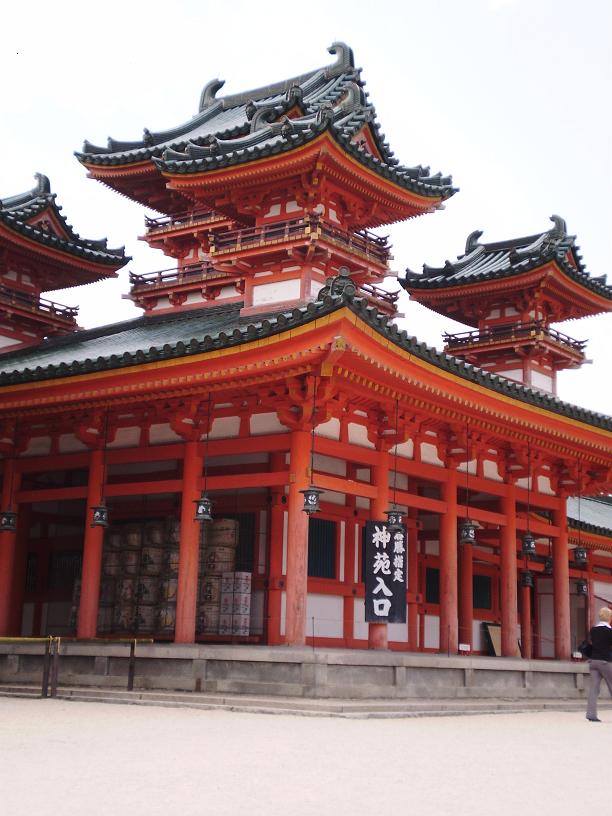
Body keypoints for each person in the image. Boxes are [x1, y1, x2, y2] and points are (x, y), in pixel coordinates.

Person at [586, 606, 612, 722]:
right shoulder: (609, 631)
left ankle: (591, 714)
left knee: (594, 689)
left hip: (593, 661)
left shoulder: (593, 630)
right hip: (605, 661)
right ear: (609, 617)